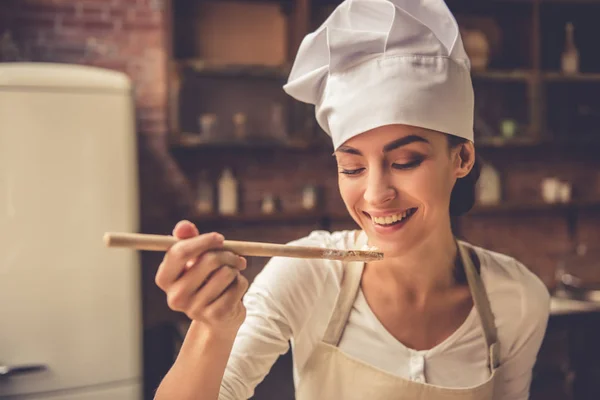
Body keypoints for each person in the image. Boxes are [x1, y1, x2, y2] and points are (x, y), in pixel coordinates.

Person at [153, 1, 551, 399]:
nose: (377, 194)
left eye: (405, 161)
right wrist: (213, 327)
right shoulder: (308, 274)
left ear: (461, 157)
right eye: (352, 168)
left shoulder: (516, 299)